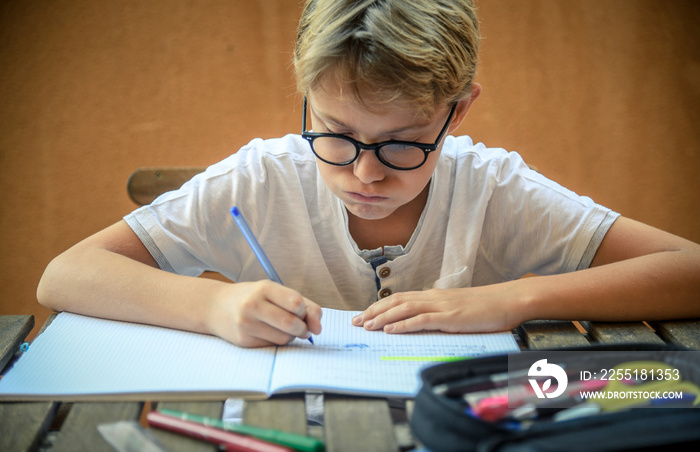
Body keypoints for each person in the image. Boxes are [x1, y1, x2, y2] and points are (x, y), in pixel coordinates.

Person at [37, 0, 700, 348]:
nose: (364, 173)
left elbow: (689, 267)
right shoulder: (262, 178)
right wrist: (213, 305)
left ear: (458, 109)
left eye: (403, 144)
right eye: (336, 133)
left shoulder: (492, 191)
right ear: (305, 94)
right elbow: (64, 275)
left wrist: (511, 300)